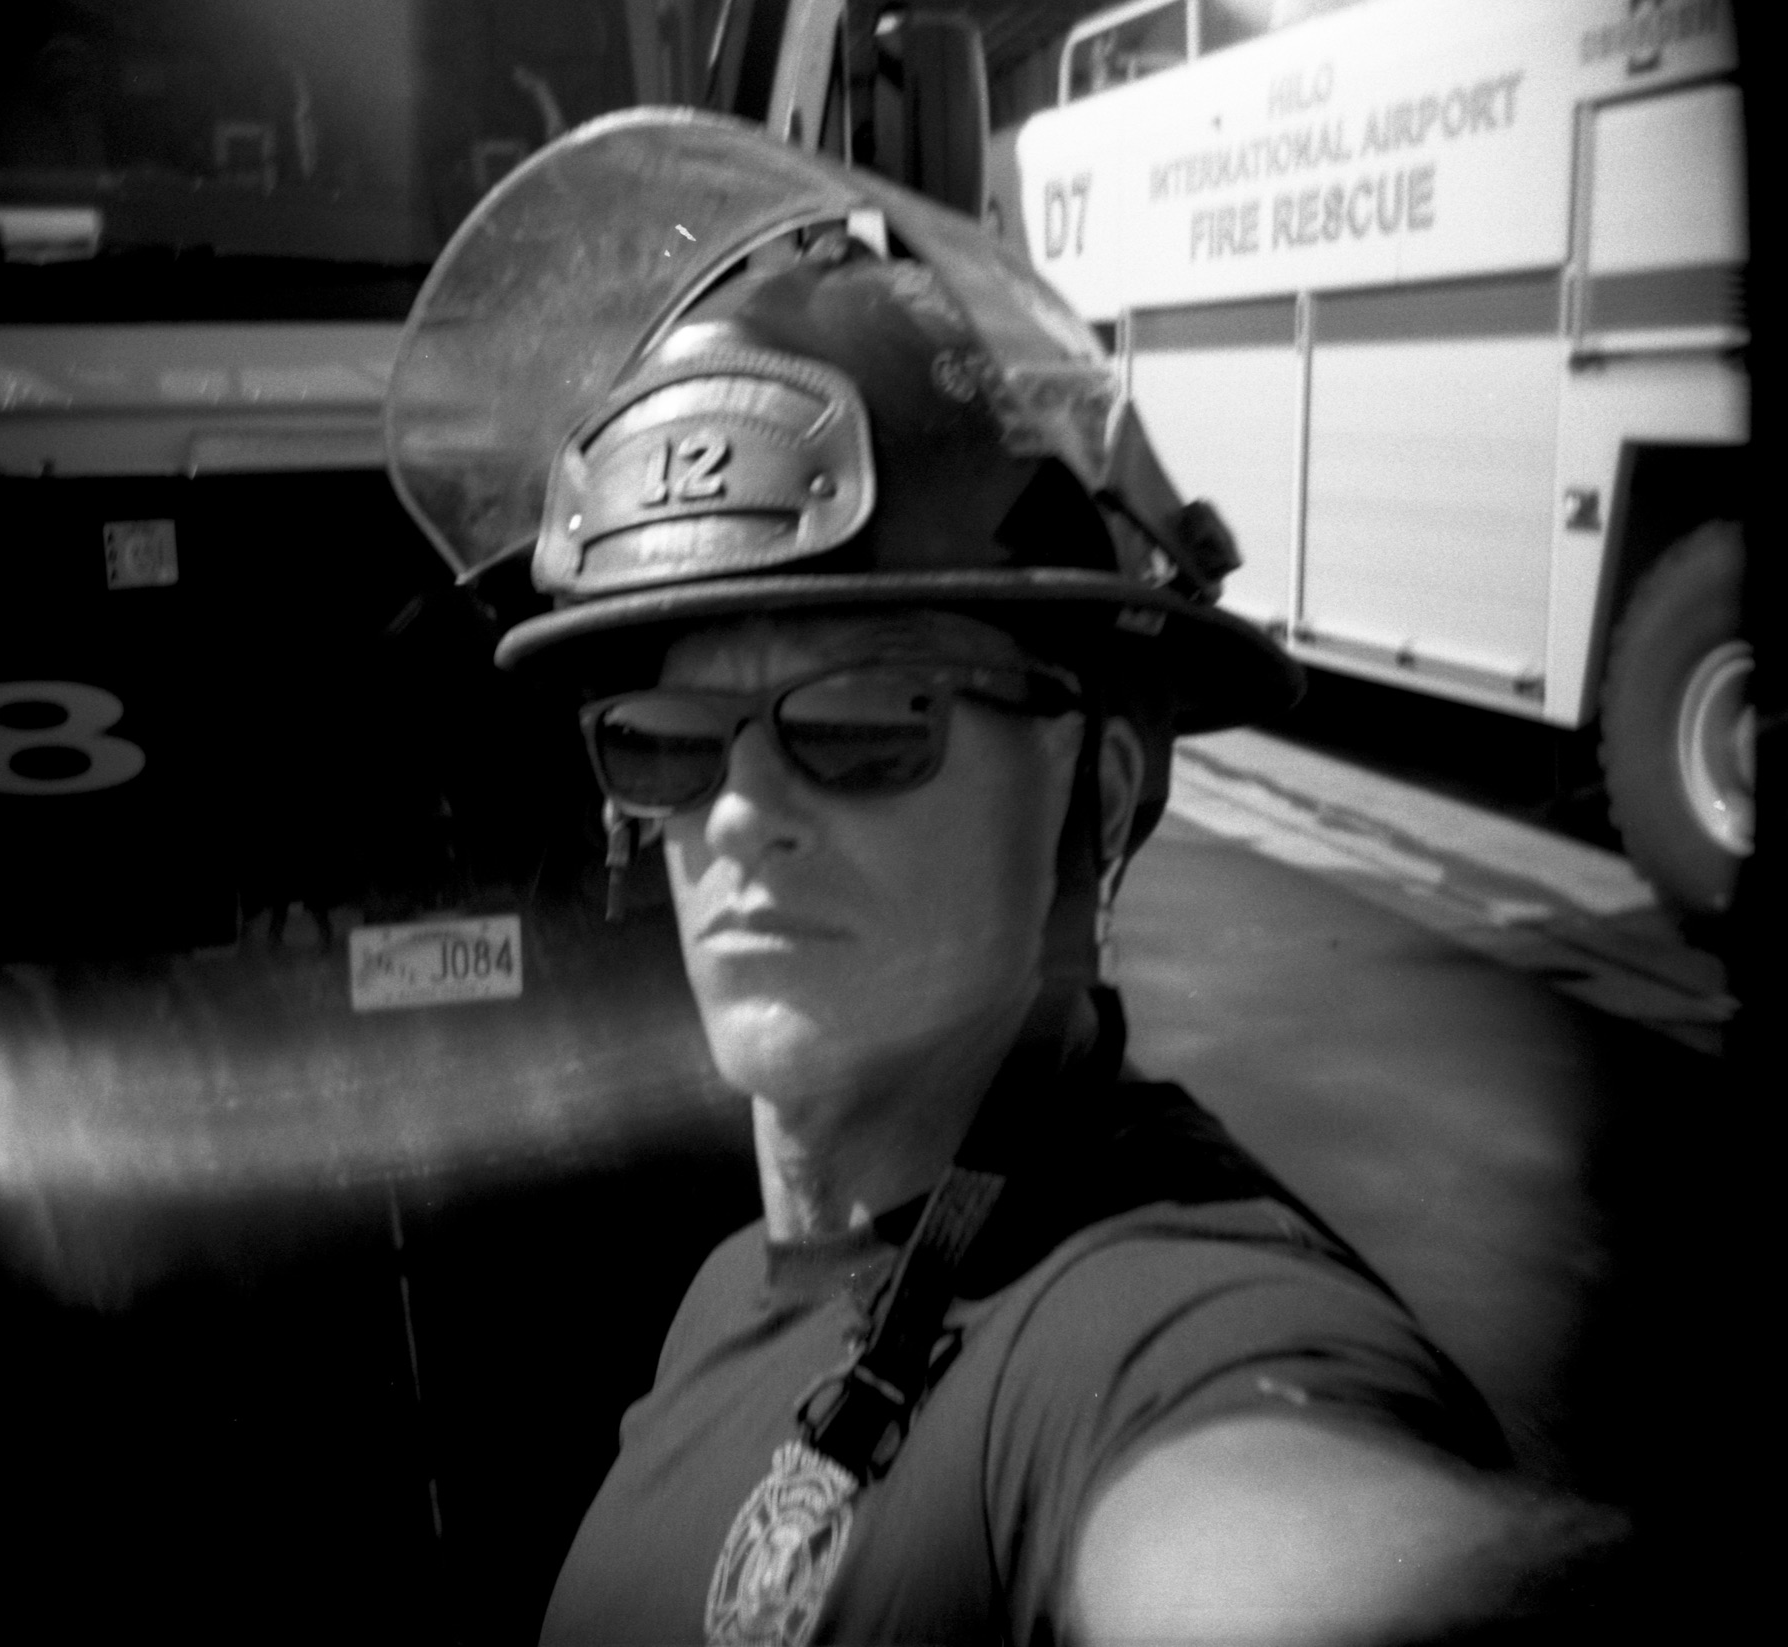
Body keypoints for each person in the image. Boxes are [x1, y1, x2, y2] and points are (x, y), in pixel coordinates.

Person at [385, 112, 1621, 1646]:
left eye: (867, 722)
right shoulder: (725, 1293)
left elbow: (1282, 1539)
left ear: (1093, 794)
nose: (740, 812)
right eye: (666, 743)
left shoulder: (1143, 1328)